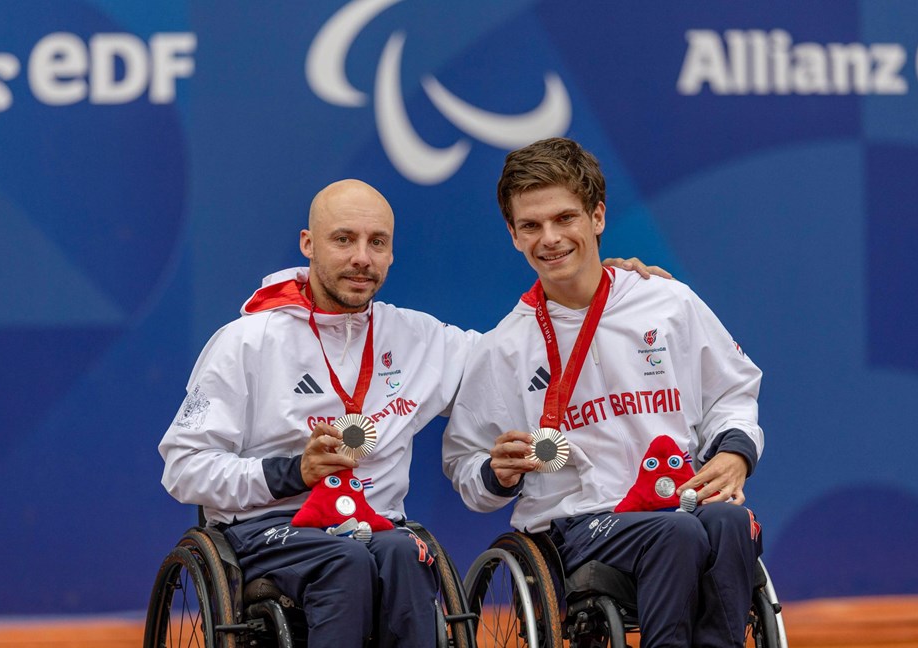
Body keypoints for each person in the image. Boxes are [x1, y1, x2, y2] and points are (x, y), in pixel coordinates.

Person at [159, 178, 668, 648]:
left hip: (378, 530)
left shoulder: (421, 340)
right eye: (343, 240)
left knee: (405, 552)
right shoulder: (246, 342)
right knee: (348, 561)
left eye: (376, 242)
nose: (362, 258)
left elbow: (518, 352)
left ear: (391, 252)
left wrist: (601, 286)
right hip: (272, 528)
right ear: (308, 245)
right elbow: (184, 467)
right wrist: (291, 472)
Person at [442, 138, 764, 648]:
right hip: (579, 526)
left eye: (565, 218)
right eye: (531, 225)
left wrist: (735, 454)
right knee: (677, 534)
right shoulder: (504, 348)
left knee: (729, 520)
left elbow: (732, 392)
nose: (549, 238)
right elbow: (466, 468)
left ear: (597, 216)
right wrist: (495, 472)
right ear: (513, 234)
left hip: (678, 499)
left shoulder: (667, 302)